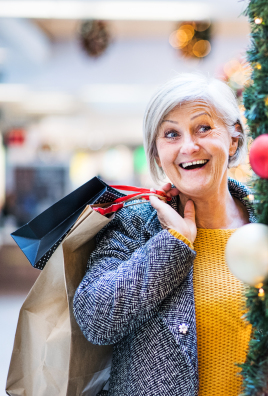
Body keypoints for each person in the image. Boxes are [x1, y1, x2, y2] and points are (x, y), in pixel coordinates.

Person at [73, 73, 255, 396]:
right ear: (157, 153)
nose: (189, 146)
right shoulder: (135, 223)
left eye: (203, 127)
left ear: (233, 139)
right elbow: (95, 317)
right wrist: (172, 245)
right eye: (172, 133)